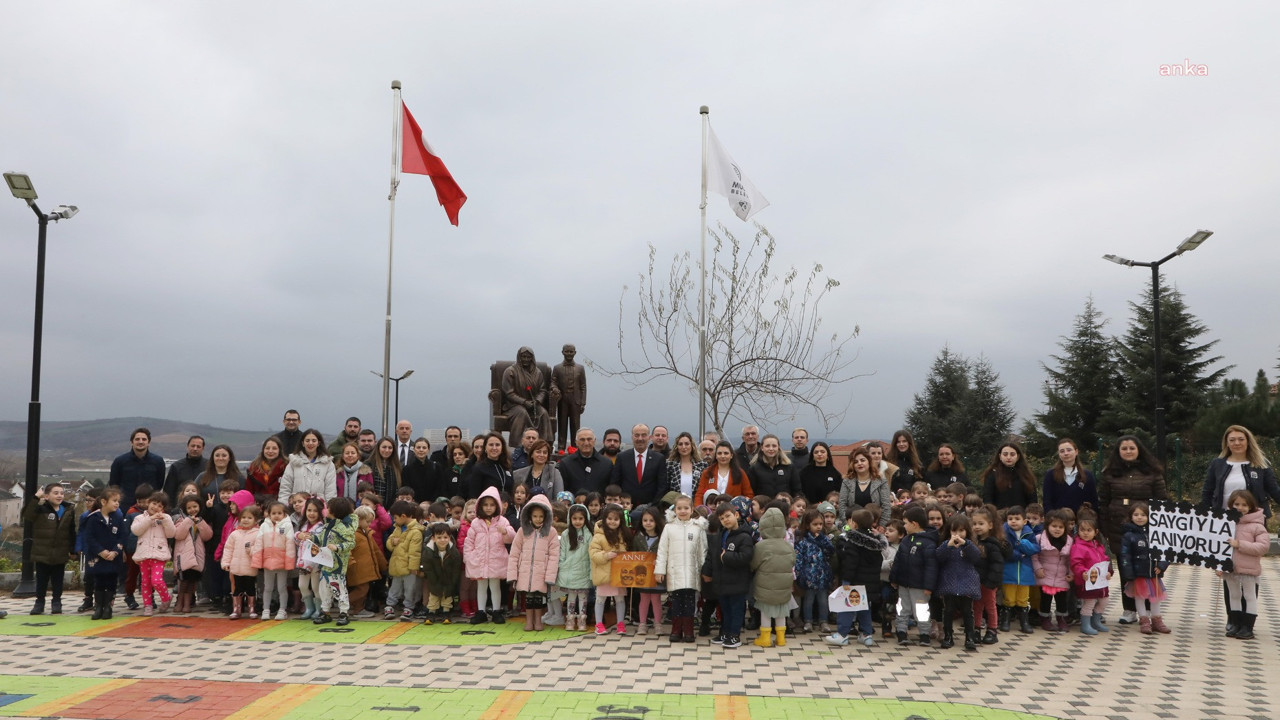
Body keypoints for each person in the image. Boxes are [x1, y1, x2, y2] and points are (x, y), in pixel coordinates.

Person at [1097, 435, 1168, 623]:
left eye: (1131, 448)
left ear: (1139, 450)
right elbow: (1103, 503)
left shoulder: (1153, 472)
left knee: (1148, 569)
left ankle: (1148, 609)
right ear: (1118, 452)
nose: (1128, 451)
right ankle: (1129, 609)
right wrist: (1104, 528)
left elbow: (1163, 501)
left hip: (1147, 530)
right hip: (1118, 529)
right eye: (1124, 448)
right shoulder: (1109, 473)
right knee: (1125, 569)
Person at [702, 501, 755, 649]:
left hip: (737, 582)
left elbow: (746, 557)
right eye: (722, 518)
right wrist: (709, 572)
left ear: (736, 515)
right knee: (725, 608)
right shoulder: (722, 534)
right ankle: (725, 632)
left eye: (728, 516)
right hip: (723, 581)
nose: (725, 520)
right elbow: (714, 555)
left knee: (736, 609)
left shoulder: (744, 536)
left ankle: (734, 635)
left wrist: (727, 557)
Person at [653, 495, 706, 642]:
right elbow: (662, 550)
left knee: (690, 602)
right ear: (674, 510)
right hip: (674, 571)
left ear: (692, 509)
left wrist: (703, 571)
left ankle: (688, 630)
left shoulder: (697, 528)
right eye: (679, 508)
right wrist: (660, 570)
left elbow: (703, 551)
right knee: (676, 602)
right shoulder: (669, 528)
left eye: (686, 508)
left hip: (691, 572)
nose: (683, 511)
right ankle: (676, 630)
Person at [1220, 489, 1269, 640]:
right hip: (1230, 568)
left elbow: (1263, 547)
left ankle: (1248, 626)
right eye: (1236, 504)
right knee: (1234, 595)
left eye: (1244, 505)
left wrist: (1239, 544)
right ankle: (1235, 623)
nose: (1240, 508)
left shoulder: (1257, 526)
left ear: (1251, 507)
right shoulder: (1226, 524)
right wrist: (1218, 566)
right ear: (1231, 505)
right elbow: (1217, 547)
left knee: (1249, 596)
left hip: (1248, 569)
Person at [507, 493, 560, 631]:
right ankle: (529, 622)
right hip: (525, 572)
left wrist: (550, 576)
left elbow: (554, 555)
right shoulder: (522, 531)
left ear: (547, 516)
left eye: (541, 516)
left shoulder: (551, 532)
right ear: (529, 515)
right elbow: (514, 554)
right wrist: (513, 575)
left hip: (541, 572)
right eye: (535, 516)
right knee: (529, 599)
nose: (538, 519)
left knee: (540, 599)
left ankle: (538, 621)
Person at [1201, 425, 1280, 517]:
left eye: (1241, 439)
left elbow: (1274, 490)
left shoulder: (1260, 465)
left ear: (1248, 442)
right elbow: (1207, 492)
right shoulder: (1217, 464)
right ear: (1227, 443)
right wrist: (1203, 514)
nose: (1237, 443)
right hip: (1222, 522)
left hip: (1253, 521)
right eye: (1232, 440)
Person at [23, 483, 77, 615]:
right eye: (55, 493)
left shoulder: (68, 509)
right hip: (42, 552)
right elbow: (27, 515)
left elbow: (71, 531)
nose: (59, 496)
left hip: (60, 552)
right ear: (47, 496)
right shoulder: (41, 509)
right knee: (41, 580)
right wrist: (36, 498)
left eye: (61, 493)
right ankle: (39, 602)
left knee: (58, 580)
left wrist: (73, 549)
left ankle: (56, 602)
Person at [464, 486, 515, 624]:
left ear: (497, 505)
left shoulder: (503, 521)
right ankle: (481, 611)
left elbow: (512, 537)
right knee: (481, 586)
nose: (488, 508)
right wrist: (468, 557)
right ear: (480, 505)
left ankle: (496, 611)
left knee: (495, 586)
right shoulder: (476, 522)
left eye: (492, 505)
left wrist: (505, 532)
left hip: (496, 560)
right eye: (485, 504)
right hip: (479, 560)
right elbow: (469, 541)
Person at [1118, 502, 1170, 635]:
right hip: (1138, 573)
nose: (1139, 517)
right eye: (1136, 514)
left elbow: (1166, 551)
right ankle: (1144, 620)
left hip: (1154, 573)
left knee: (1156, 597)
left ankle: (1157, 620)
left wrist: (1162, 566)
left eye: (1143, 515)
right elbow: (1125, 555)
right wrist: (1128, 573)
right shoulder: (1128, 535)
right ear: (1131, 516)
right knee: (1140, 597)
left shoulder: (1156, 533)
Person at [889, 505, 937, 646]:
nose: (904, 526)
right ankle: (901, 632)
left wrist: (929, 586)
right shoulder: (906, 540)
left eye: (905, 523)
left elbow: (931, 568)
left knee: (921, 610)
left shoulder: (928, 543)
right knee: (903, 608)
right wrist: (894, 578)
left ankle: (924, 634)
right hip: (904, 583)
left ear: (914, 524)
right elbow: (898, 561)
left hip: (920, 586)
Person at [933, 513, 981, 651]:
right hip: (949, 582)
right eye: (954, 531)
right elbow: (938, 557)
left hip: (967, 582)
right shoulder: (945, 545)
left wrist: (965, 544)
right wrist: (947, 546)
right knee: (948, 610)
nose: (957, 534)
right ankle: (948, 636)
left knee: (967, 611)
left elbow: (976, 557)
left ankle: (970, 637)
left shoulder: (969, 545)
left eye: (961, 530)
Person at [748, 507, 794, 647]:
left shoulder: (761, 546)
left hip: (765, 585)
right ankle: (781, 638)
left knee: (766, 611)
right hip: (784, 584)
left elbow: (753, 564)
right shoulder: (788, 545)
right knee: (781, 611)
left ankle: (765, 638)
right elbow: (793, 562)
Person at [312, 496, 358, 626]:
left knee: (339, 589)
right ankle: (325, 611)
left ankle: (344, 612)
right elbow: (321, 538)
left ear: (335, 511)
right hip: (325, 563)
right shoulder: (329, 525)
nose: (325, 510)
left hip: (337, 565)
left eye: (328, 508)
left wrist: (338, 547)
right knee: (324, 589)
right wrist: (309, 537)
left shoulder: (344, 528)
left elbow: (351, 543)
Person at [83, 488, 126, 620]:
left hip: (113, 557)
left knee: (111, 582)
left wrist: (115, 551)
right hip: (97, 557)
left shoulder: (118, 518)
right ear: (103, 501)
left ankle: (108, 607)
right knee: (99, 581)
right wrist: (100, 551)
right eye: (114, 501)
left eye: (118, 501)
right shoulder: (93, 518)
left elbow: (122, 536)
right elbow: (89, 537)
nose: (117, 504)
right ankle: (98, 607)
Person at [589, 504, 632, 636]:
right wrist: (606, 556)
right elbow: (593, 553)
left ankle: (620, 623)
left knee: (620, 599)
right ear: (605, 518)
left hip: (619, 574)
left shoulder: (623, 535)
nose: (612, 522)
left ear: (621, 521)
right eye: (610, 518)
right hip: (603, 574)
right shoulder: (598, 536)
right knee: (600, 599)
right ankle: (599, 624)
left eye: (616, 519)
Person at [1070, 508, 1112, 636]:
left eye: (1089, 530)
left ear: (1096, 532)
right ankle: (1085, 624)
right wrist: (1082, 572)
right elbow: (1076, 563)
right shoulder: (1078, 546)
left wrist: (1109, 571)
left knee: (1104, 600)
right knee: (1089, 603)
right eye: (1082, 530)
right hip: (1087, 581)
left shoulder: (1098, 545)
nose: (1086, 533)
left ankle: (1096, 620)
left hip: (1101, 582)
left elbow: (1105, 559)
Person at [501, 347, 554, 447]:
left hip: (533, 404)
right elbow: (509, 393)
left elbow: (543, 390)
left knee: (543, 413)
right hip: (514, 405)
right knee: (521, 412)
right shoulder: (510, 371)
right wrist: (524, 402)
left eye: (528, 357)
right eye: (523, 357)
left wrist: (537, 401)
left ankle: (544, 444)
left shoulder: (537, 373)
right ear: (519, 357)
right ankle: (517, 445)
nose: (525, 359)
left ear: (532, 358)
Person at [1032, 509, 1074, 633]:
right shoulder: (1040, 539)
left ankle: (1061, 619)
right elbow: (1034, 556)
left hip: (1062, 576)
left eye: (1060, 527)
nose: (1057, 529)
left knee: (1062, 600)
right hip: (1045, 574)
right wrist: (1038, 568)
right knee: (1045, 599)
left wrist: (1071, 573)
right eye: (1054, 526)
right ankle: (1045, 618)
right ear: (1047, 526)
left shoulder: (1069, 541)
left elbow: (1071, 559)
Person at [969, 507, 1006, 644]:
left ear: (990, 525)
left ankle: (992, 630)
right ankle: (977, 628)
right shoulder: (974, 542)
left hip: (989, 583)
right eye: (974, 524)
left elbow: (997, 565)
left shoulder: (993, 545)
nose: (977, 527)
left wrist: (991, 582)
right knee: (976, 606)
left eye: (981, 523)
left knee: (990, 606)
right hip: (976, 581)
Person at [253, 501, 296, 621]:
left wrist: (289, 562)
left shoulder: (287, 525)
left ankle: (282, 610)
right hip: (267, 562)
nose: (276, 515)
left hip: (282, 562)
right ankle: (265, 609)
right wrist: (257, 561)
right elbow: (258, 544)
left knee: (282, 587)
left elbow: (290, 545)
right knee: (267, 587)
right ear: (268, 514)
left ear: (284, 514)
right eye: (273, 513)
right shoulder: (264, 525)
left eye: (279, 513)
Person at [1000, 505, 1040, 633]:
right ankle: (1005, 620)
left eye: (1017, 518)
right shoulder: (1004, 532)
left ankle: (1024, 622)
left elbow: (1035, 549)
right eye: (1010, 518)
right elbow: (1004, 549)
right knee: (1009, 598)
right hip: (1009, 571)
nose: (1013, 521)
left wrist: (1022, 543)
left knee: (1023, 599)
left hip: (1025, 571)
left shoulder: (1029, 533)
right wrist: (1019, 555)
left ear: (1024, 521)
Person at [382, 501, 424, 622]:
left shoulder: (416, 531)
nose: (394, 520)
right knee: (395, 587)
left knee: (410, 588)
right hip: (397, 565)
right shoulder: (397, 529)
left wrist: (413, 567)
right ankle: (390, 605)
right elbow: (389, 543)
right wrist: (392, 542)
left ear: (403, 516)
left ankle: (409, 607)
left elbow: (415, 552)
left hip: (409, 567)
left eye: (395, 517)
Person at [795, 509, 835, 635]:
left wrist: (822, 539)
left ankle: (824, 621)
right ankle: (808, 621)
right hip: (808, 576)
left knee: (823, 599)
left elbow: (830, 551)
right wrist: (799, 573)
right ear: (807, 525)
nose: (818, 527)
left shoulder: (824, 538)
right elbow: (798, 558)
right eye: (815, 524)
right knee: (809, 599)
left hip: (822, 575)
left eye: (820, 524)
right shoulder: (802, 541)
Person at [172, 493, 212, 614]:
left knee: (192, 582)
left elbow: (207, 536)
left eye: (195, 506)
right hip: (183, 557)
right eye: (189, 508)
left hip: (196, 556)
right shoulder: (180, 520)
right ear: (185, 509)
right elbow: (178, 535)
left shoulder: (201, 520)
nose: (192, 510)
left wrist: (199, 522)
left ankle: (187, 604)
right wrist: (189, 521)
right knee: (183, 581)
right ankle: (180, 602)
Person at [557, 504, 595, 632]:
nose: (577, 521)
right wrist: (561, 567)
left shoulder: (589, 534)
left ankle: (582, 620)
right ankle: (570, 620)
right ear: (570, 519)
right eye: (575, 518)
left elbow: (591, 554)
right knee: (571, 597)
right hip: (570, 571)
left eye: (580, 518)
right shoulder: (566, 534)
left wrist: (591, 572)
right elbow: (562, 554)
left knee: (583, 598)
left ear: (585, 519)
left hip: (584, 570)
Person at [221, 503, 262, 620]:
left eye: (249, 518)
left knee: (250, 588)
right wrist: (226, 563)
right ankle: (236, 609)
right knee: (237, 589)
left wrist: (251, 551)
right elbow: (228, 549)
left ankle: (251, 608)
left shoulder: (258, 533)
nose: (246, 520)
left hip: (250, 567)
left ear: (256, 520)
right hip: (236, 568)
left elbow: (259, 548)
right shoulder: (234, 534)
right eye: (243, 517)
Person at [109, 427, 166, 511]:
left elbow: (159, 484)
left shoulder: (158, 462)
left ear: (148, 442)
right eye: (137, 439)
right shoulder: (120, 461)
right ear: (132, 442)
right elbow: (114, 484)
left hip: (149, 508)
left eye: (144, 439)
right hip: (125, 507)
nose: (140, 442)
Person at [347, 505, 388, 619]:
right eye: (367, 521)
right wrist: (351, 564)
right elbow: (347, 550)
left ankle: (358, 609)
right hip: (357, 568)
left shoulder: (367, 533)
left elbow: (376, 550)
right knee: (362, 589)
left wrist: (383, 564)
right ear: (358, 519)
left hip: (365, 569)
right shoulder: (352, 534)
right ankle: (344, 603)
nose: (369, 524)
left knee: (364, 589)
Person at [611, 424, 666, 508]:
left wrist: (653, 506)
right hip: (626, 508)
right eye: (637, 435)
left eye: (644, 435)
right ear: (632, 437)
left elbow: (662, 486)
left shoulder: (659, 459)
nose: (640, 438)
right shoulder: (622, 457)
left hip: (651, 509)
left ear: (649, 437)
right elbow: (615, 483)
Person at [1042, 438, 1099, 515]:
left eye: (1069, 450)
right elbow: (1047, 501)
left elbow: (1094, 501)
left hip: (1081, 523)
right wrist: (1052, 518)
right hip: (1058, 523)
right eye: (1062, 451)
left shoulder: (1087, 475)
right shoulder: (1050, 475)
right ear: (1059, 454)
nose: (1066, 453)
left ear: (1076, 452)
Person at [420, 521, 462, 624]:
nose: (442, 540)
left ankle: (446, 612)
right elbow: (427, 568)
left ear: (449, 537)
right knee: (433, 596)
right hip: (434, 579)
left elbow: (456, 568)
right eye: (439, 537)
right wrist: (434, 580)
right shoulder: (428, 551)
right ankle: (431, 613)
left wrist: (452, 580)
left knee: (447, 597)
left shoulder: (454, 552)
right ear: (433, 538)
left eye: (445, 537)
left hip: (448, 579)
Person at [278, 429, 336, 503]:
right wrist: (283, 506)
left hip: (318, 508)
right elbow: (285, 487)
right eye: (307, 440)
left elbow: (330, 490)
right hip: (296, 506)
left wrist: (329, 509)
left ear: (318, 443)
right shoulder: (294, 462)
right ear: (302, 443)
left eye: (314, 441)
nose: (310, 443)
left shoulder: (328, 464)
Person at [839, 447, 892, 527]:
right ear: (852, 465)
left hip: (875, 526)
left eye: (862, 460)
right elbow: (842, 506)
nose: (859, 463)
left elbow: (886, 506)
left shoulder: (881, 481)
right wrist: (848, 524)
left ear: (869, 462)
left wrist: (882, 526)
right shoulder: (847, 482)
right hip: (853, 526)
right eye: (856, 462)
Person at [293, 497, 326, 620]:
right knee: (302, 585)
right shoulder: (303, 526)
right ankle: (309, 607)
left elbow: (322, 541)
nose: (311, 513)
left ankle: (319, 609)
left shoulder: (321, 527)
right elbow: (296, 540)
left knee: (316, 587)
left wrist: (311, 537)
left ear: (321, 512)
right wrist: (299, 535)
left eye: (315, 511)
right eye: (309, 510)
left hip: (316, 564)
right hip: (303, 562)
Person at [551, 344, 587, 453]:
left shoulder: (580, 368)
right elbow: (552, 382)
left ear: (575, 353)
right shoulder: (557, 368)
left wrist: (583, 402)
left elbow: (583, 386)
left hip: (575, 400)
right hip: (562, 400)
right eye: (567, 351)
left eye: (571, 352)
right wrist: (554, 388)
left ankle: (575, 448)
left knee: (575, 425)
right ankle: (561, 447)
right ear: (562, 352)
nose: (569, 354)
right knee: (562, 424)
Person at [981, 443, 1037, 510]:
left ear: (1018, 456)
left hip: (1021, 516)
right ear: (1000, 456)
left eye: (1012, 454)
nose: (1008, 457)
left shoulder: (1026, 475)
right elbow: (987, 498)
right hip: (999, 516)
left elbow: (1032, 499)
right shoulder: (992, 474)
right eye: (1005, 454)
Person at [560, 428, 613, 495]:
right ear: (576, 442)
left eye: (589, 439)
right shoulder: (566, 464)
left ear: (594, 441)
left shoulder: (607, 464)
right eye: (582, 439)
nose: (586, 443)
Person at [748, 434, 798, 499]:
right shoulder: (754, 468)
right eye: (767, 446)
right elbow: (751, 491)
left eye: (774, 446)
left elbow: (797, 489)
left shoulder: (789, 466)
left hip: (785, 506)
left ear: (778, 447)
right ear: (762, 448)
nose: (771, 449)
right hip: (763, 506)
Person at [467, 433, 514, 500]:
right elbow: (474, 495)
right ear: (485, 448)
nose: (494, 448)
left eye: (497, 445)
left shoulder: (507, 467)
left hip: (507, 508)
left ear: (502, 448)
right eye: (491, 445)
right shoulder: (479, 468)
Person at [163, 436, 206, 504]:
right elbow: (168, 492)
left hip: (204, 508)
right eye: (193, 446)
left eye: (198, 446)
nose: (195, 449)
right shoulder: (176, 466)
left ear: (203, 448)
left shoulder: (208, 466)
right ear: (187, 447)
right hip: (179, 509)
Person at [665, 432, 707, 498]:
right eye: (680, 444)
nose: (683, 447)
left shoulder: (702, 465)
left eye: (687, 444)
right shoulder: (669, 465)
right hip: (675, 505)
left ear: (692, 446)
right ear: (677, 447)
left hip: (696, 505)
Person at [888, 430, 925, 495]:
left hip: (912, 501)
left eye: (904, 441)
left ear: (909, 443)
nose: (901, 444)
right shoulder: (889, 463)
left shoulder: (917, 464)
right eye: (898, 442)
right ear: (895, 444)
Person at [402, 438, 438, 504]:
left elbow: (439, 488)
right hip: (413, 505)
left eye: (424, 448)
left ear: (428, 450)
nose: (421, 450)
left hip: (431, 505)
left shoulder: (436, 467)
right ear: (414, 450)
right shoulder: (407, 469)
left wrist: (429, 503)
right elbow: (407, 490)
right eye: (418, 447)